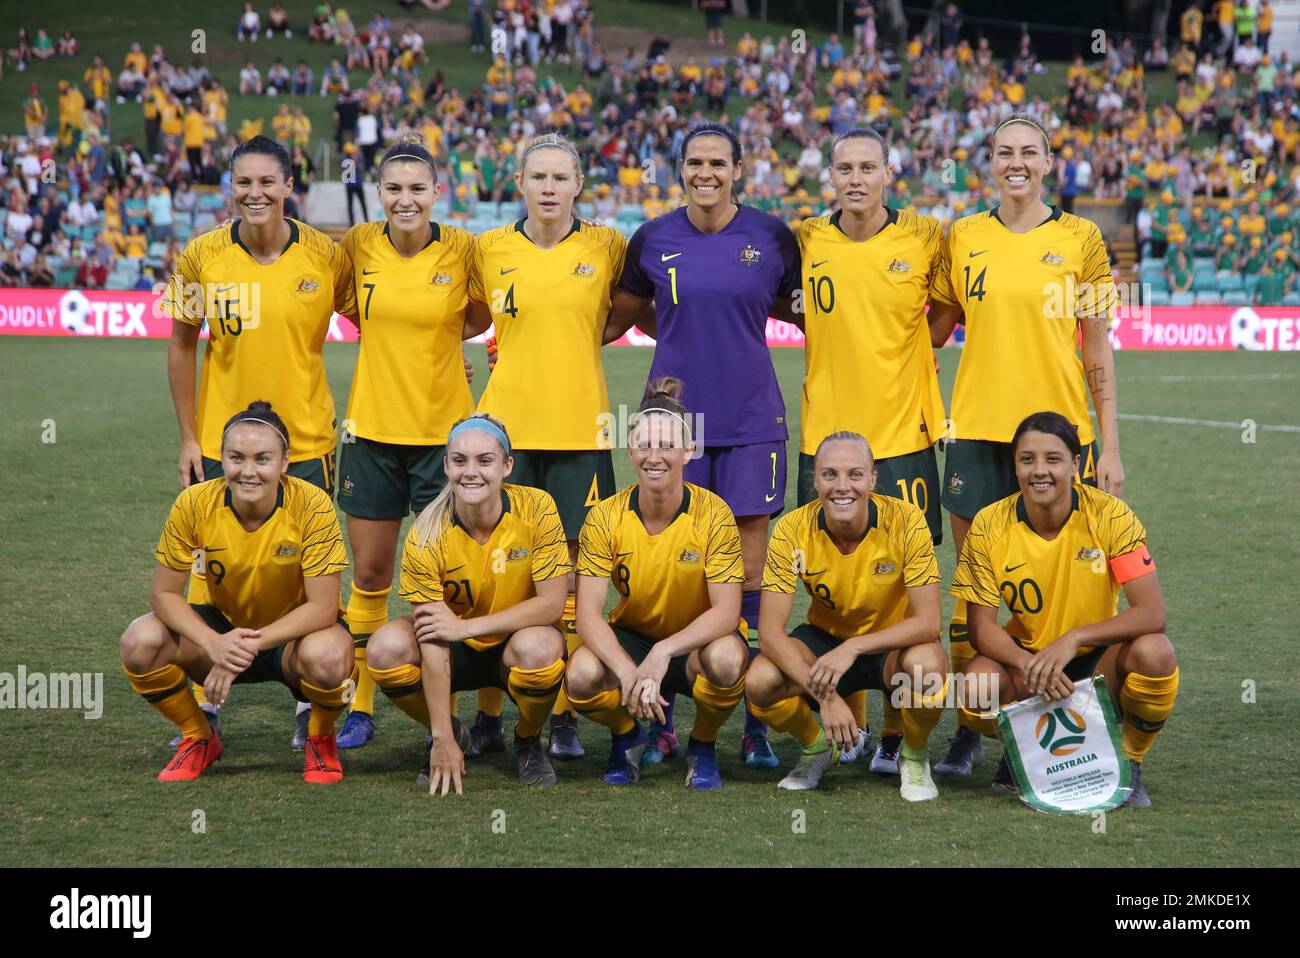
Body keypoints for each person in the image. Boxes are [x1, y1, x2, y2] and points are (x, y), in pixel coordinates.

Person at [927, 115, 1125, 778]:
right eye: (1004, 152)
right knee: (975, 591)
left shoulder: (1082, 238)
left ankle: (1048, 729)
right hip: (978, 432)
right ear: (990, 162)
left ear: (1047, 161)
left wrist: (1113, 446)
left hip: (1062, 440)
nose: (1016, 162)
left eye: (1028, 152)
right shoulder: (964, 236)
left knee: (1064, 588)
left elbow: (1096, 344)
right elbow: (932, 326)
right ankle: (970, 728)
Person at [605, 122, 801, 770]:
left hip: (751, 425)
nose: (706, 172)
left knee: (745, 580)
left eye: (719, 162)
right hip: (675, 428)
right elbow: (622, 315)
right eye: (695, 162)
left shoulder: (771, 237)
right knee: (680, 574)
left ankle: (750, 722)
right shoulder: (653, 239)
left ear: (739, 169)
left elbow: (811, 312)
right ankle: (659, 715)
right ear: (679, 168)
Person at [162, 135, 355, 748]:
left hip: (308, 441)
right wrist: (191, 436)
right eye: (243, 182)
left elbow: (383, 319)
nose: (255, 194)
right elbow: (182, 343)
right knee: (205, 570)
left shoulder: (326, 256)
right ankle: (205, 700)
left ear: (288, 187)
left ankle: (309, 699)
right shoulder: (202, 257)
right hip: (225, 445)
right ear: (231, 187)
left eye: (267, 182)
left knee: (306, 571)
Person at [463, 132, 627, 761]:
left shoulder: (607, 246)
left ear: (578, 184)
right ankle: (488, 712)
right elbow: (478, 321)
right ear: (520, 183)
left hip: (583, 433)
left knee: (578, 576)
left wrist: (579, 339)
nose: (550, 189)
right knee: (502, 573)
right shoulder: (490, 249)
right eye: (539, 178)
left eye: (561, 178)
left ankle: (561, 712)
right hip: (502, 434)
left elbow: (624, 313)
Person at [790, 128, 947, 775]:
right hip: (823, 441)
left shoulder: (925, 237)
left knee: (902, 591)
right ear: (831, 177)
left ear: (889, 174)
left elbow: (944, 316)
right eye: (845, 168)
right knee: (832, 586)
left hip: (903, 441)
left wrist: (909, 361)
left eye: (868, 168)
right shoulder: (806, 238)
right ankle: (842, 723)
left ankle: (891, 737)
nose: (856, 178)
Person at [119, 402, 354, 784]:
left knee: (329, 655)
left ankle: (320, 738)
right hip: (219, 632)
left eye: (263, 458)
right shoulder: (194, 503)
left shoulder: (312, 504)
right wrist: (214, 644)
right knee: (140, 639)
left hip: (291, 639)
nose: (248, 471)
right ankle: (198, 737)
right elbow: (164, 595)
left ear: (284, 462)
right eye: (236, 457)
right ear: (222, 459)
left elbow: (323, 608)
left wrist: (242, 648)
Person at [951, 412, 1178, 807]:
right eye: (1027, 459)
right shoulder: (989, 525)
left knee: (1155, 652)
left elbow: (1152, 614)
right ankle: (1021, 750)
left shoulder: (1110, 515)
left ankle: (1129, 761)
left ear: (1075, 465)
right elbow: (981, 629)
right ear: (1015, 465)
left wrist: (1073, 640)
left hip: (1096, 667)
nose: (1040, 471)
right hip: (1028, 667)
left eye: (1053, 459)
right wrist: (1027, 663)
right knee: (976, 685)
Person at [332, 135, 477, 750]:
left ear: (436, 193)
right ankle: (360, 705)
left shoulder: (465, 250)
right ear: (379, 194)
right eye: (393, 188)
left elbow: (483, 317)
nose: (405, 199)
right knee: (370, 573)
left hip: (444, 444)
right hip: (371, 434)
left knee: (457, 580)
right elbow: (351, 308)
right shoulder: (359, 246)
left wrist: (447, 354)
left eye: (418, 188)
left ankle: (479, 711)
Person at [367, 414, 570, 793]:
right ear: (446, 465)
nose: (470, 472)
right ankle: (453, 735)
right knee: (385, 648)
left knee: (541, 649)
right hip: (451, 649)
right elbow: (432, 638)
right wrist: (441, 734)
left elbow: (551, 605)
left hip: (513, 643)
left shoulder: (537, 509)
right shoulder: (427, 531)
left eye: (485, 460)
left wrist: (466, 627)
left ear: (507, 465)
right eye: (459, 461)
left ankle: (528, 740)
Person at [565, 379, 748, 789]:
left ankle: (702, 746)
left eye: (666, 445)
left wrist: (665, 651)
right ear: (630, 450)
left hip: (695, 643)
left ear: (688, 451)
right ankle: (626, 736)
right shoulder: (606, 516)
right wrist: (629, 672)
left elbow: (726, 611)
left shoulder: (713, 514)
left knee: (728, 662)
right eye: (644, 445)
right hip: (633, 636)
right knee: (579, 676)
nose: (654, 456)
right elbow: (588, 614)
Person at [749, 432, 946, 799]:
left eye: (855, 475)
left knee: (927, 666)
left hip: (890, 645)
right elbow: (770, 633)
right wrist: (825, 697)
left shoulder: (905, 520)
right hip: (824, 643)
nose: (843, 487)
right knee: (759, 682)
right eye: (829, 475)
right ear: (814, 479)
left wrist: (854, 646)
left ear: (872, 479)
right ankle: (818, 747)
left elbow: (929, 622)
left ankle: (914, 757)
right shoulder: (791, 530)